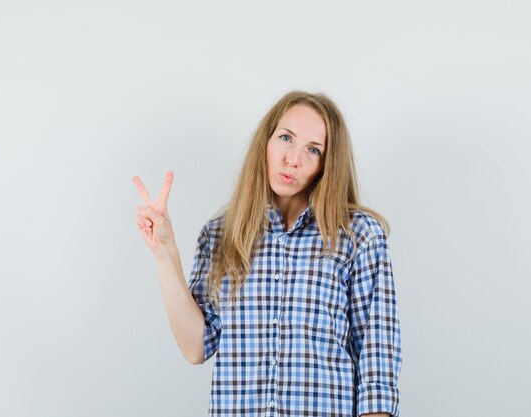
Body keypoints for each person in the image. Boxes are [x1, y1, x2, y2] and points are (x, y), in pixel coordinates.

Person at [132, 90, 402, 417]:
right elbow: (195, 347)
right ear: (266, 142)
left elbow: (378, 363)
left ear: (326, 165)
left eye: (313, 150)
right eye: (286, 138)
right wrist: (165, 252)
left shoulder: (357, 235)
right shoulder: (219, 236)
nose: (293, 159)